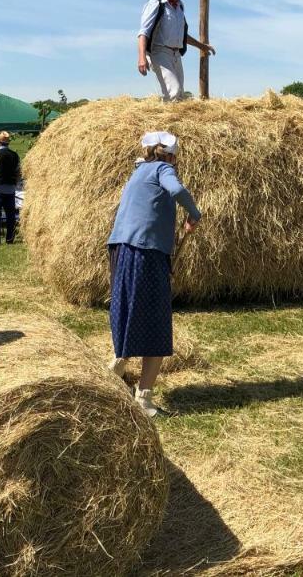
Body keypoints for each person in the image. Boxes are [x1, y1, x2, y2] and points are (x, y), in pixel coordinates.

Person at [106, 130, 201, 416]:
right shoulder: (162, 169)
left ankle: (117, 366)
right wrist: (194, 213)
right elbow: (176, 190)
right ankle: (143, 399)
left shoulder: (138, 171)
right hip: (145, 252)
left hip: (122, 248)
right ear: (169, 155)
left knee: (129, 310)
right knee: (156, 320)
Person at [136, 0, 216, 102]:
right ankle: (168, 120)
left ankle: (169, 119)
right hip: (159, 52)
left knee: (180, 95)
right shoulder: (156, 3)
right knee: (174, 91)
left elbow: (182, 35)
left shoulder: (180, 7)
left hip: (176, 54)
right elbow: (143, 32)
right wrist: (141, 58)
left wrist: (202, 46)